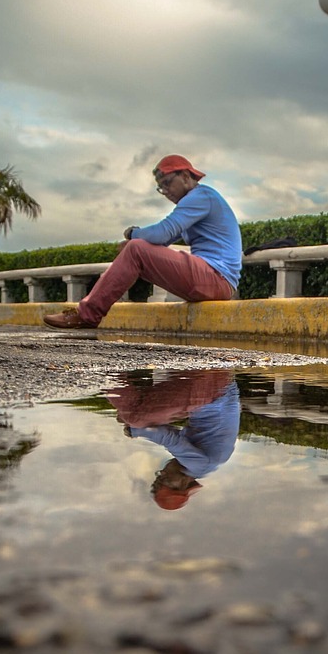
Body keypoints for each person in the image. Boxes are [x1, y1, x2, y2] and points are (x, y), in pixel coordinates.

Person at [43, 156, 242, 330]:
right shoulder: (195, 202)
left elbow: (160, 234)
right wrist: (132, 244)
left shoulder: (201, 196)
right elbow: (159, 241)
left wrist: (132, 233)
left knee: (136, 248)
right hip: (213, 280)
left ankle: (87, 314)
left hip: (218, 277)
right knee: (133, 249)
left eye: (167, 183)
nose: (165, 191)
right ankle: (91, 308)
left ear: (186, 176)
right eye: (160, 187)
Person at [104, 369, 240, 510]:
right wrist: (134, 430)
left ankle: (112, 377)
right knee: (136, 418)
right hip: (212, 391)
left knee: (137, 415)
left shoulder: (204, 465)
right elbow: (170, 439)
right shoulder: (199, 466)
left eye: (159, 477)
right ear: (182, 485)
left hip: (216, 388)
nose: (162, 472)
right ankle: (108, 375)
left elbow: (168, 432)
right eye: (165, 480)